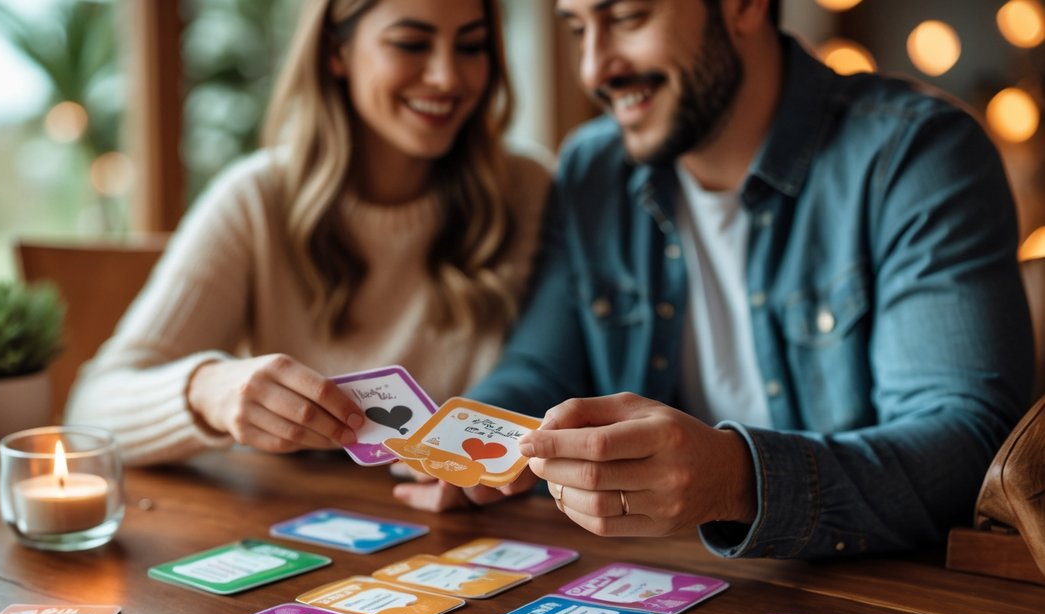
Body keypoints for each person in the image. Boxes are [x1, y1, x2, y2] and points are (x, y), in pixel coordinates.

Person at [395, 0, 1034, 559]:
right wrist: (469, 439)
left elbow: (963, 442)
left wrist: (736, 479)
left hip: (887, 602)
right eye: (578, 28)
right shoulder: (593, 167)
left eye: (625, 17)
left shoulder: (918, 156)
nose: (594, 69)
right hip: (669, 584)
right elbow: (541, 368)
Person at [66, 0, 550, 465]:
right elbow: (90, 411)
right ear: (335, 53)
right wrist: (206, 390)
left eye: (471, 46)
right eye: (410, 44)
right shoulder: (254, 199)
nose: (447, 76)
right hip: (296, 516)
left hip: (476, 525)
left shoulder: (529, 188)